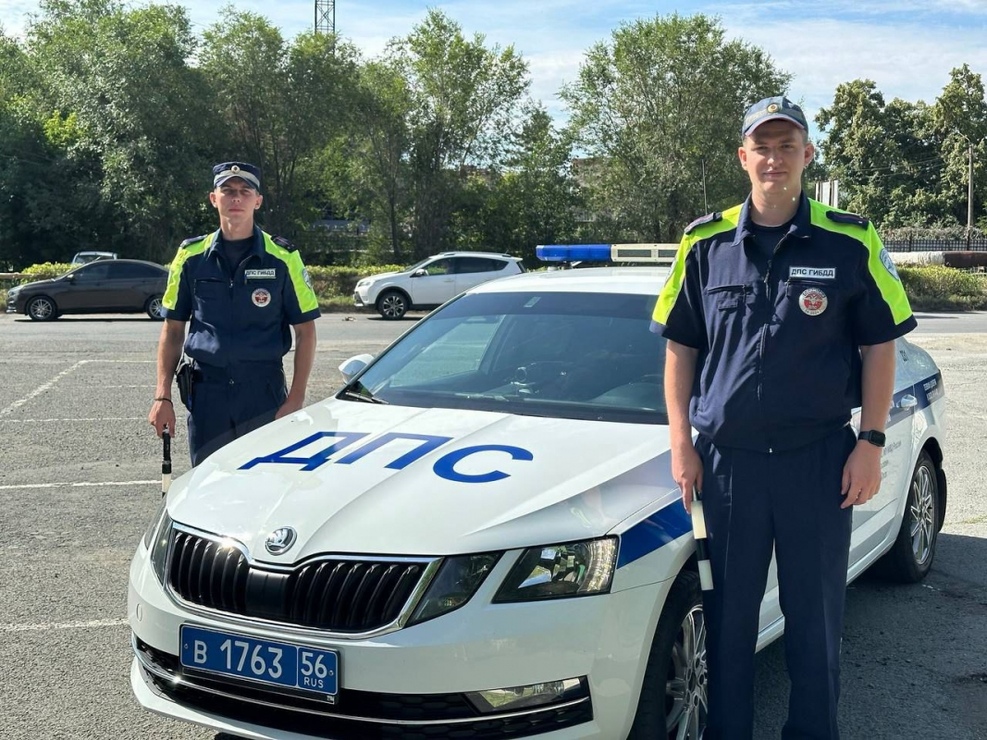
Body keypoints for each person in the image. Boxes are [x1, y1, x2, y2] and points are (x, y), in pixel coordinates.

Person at [652, 96, 916, 739]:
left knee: (816, 623)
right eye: (762, 147)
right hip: (728, 467)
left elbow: (880, 346)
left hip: (819, 463)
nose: (774, 158)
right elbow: (680, 348)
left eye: (787, 146)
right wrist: (681, 441)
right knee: (728, 623)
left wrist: (871, 442)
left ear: (808, 155)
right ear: (743, 157)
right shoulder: (704, 241)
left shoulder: (850, 239)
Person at [148, 162, 321, 465]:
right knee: (208, 482)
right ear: (213, 198)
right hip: (207, 396)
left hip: (263, 395)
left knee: (265, 482)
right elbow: (173, 330)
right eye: (227, 190)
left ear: (258, 200)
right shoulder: (190, 257)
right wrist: (162, 396)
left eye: (245, 191)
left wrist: (295, 399)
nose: (236, 198)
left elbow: (305, 332)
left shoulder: (283, 258)